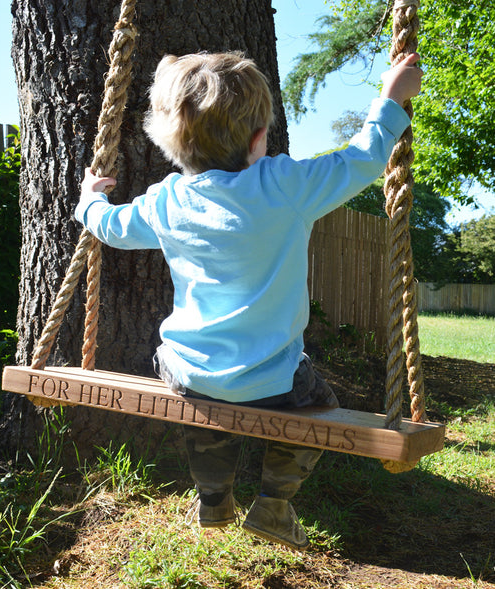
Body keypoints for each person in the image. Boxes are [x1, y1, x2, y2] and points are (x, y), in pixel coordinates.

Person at [76, 51, 422, 550]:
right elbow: (363, 159)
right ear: (259, 139)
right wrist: (391, 97)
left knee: (202, 415)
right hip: (272, 379)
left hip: (187, 370)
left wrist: (90, 196)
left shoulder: (167, 200)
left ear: (170, 143)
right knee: (320, 408)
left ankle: (214, 498)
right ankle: (274, 505)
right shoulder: (286, 186)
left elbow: (108, 227)